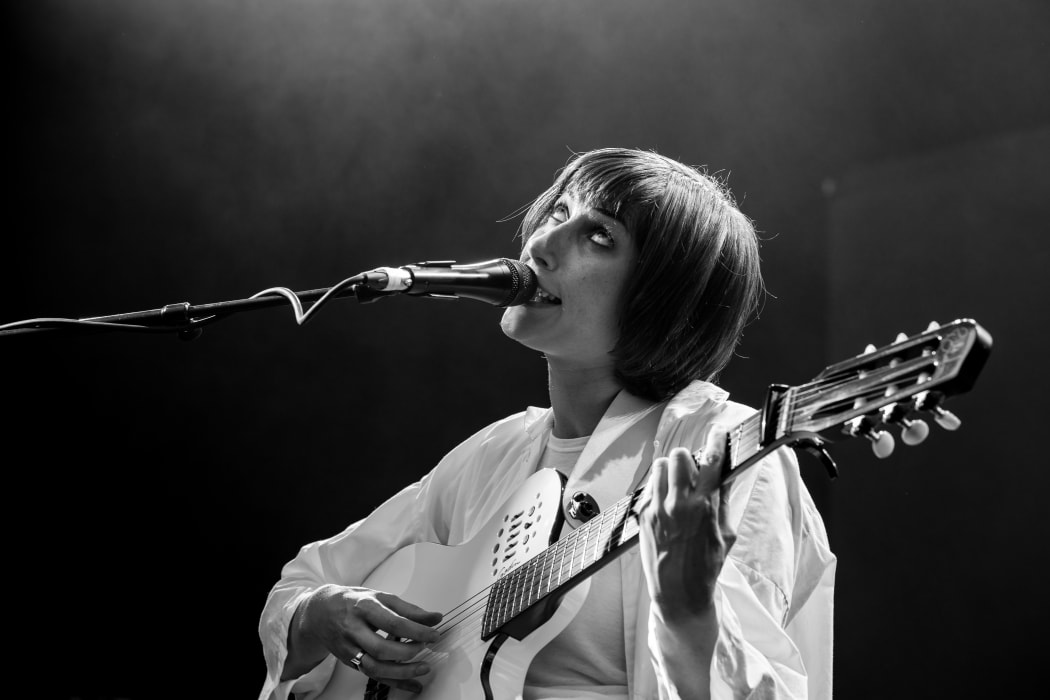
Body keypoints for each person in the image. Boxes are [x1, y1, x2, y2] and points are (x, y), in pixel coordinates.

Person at [258, 148, 836, 700]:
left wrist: (690, 611)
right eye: (559, 213)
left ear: (666, 300)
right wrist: (316, 616)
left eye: (599, 236)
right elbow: (304, 583)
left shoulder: (726, 451)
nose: (541, 244)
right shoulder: (495, 453)